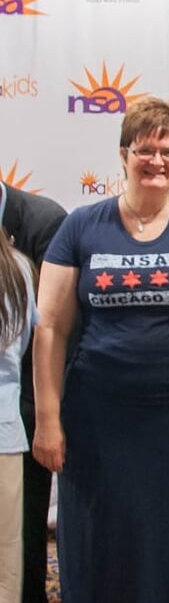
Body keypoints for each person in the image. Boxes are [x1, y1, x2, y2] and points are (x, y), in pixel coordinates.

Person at [32, 97, 169, 603]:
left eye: (168, 151)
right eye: (145, 150)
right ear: (124, 154)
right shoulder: (81, 226)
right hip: (98, 422)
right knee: (105, 542)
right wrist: (48, 419)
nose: (157, 161)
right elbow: (51, 329)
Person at [0, 181, 66, 603]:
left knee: (15, 554)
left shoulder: (42, 225)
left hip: (17, 416)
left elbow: (40, 341)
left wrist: (44, 418)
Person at [0, 228, 37, 603]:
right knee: (5, 558)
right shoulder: (20, 268)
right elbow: (23, 342)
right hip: (5, 430)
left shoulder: (18, 270)